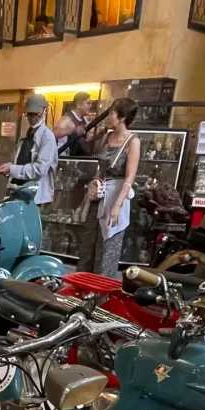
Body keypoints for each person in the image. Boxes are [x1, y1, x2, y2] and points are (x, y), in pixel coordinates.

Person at [77, 97, 141, 277]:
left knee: (107, 249)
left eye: (111, 112)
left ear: (121, 117)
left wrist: (117, 206)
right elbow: (100, 169)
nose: (107, 116)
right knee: (88, 245)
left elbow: (129, 177)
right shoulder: (106, 137)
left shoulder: (132, 141)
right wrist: (93, 184)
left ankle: (100, 297)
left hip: (116, 197)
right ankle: (81, 290)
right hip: (99, 195)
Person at [0, 93, 58, 205]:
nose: (32, 118)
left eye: (35, 114)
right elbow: (20, 163)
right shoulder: (25, 136)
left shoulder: (47, 137)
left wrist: (12, 169)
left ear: (44, 111)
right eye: (29, 114)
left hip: (36, 199)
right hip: (18, 194)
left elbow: (39, 170)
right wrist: (8, 169)